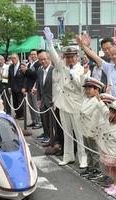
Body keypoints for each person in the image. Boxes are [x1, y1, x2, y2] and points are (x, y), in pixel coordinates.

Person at [76, 34, 116, 175]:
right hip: (110, 103)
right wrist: (83, 46)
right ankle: (112, 162)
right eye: (112, 54)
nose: (114, 56)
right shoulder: (109, 67)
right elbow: (94, 56)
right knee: (109, 132)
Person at [43, 27, 89, 168]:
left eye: (72, 57)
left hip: (76, 104)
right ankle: (68, 156)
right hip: (63, 104)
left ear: (77, 57)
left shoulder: (83, 69)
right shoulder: (62, 66)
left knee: (79, 134)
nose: (70, 59)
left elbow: (84, 87)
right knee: (67, 133)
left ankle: (83, 158)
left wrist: (74, 77)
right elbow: (54, 57)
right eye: (67, 57)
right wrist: (50, 43)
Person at [95, 98, 116, 197]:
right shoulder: (109, 121)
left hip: (115, 153)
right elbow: (102, 109)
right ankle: (114, 184)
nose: (109, 113)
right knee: (113, 169)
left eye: (111, 112)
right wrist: (98, 99)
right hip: (107, 150)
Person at [79, 77, 105, 180]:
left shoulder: (97, 101)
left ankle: (97, 169)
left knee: (94, 150)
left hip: (93, 129)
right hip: (85, 128)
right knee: (87, 149)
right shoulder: (86, 99)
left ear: (96, 90)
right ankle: (90, 167)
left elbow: (100, 116)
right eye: (86, 88)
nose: (87, 90)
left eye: (90, 88)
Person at [36, 51, 54, 144]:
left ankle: (52, 137)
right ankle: (47, 135)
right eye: (41, 60)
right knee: (44, 119)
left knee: (52, 121)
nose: (43, 61)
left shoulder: (54, 70)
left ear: (49, 59)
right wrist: (38, 98)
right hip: (43, 99)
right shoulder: (40, 70)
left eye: (44, 59)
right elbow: (38, 86)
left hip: (52, 99)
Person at [22, 49, 42, 129]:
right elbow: (27, 77)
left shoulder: (38, 64)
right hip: (29, 87)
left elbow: (36, 74)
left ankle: (39, 121)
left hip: (35, 87)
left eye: (34, 54)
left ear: (37, 55)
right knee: (31, 106)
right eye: (31, 54)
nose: (33, 56)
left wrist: (26, 71)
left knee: (35, 105)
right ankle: (34, 120)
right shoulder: (30, 64)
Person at [8, 54, 25, 120]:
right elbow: (9, 77)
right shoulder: (11, 67)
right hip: (13, 87)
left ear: (18, 58)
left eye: (15, 58)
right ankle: (17, 113)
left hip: (20, 86)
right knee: (14, 101)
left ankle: (22, 114)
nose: (13, 59)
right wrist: (9, 87)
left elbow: (25, 77)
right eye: (12, 58)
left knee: (20, 101)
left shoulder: (22, 66)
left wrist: (24, 87)